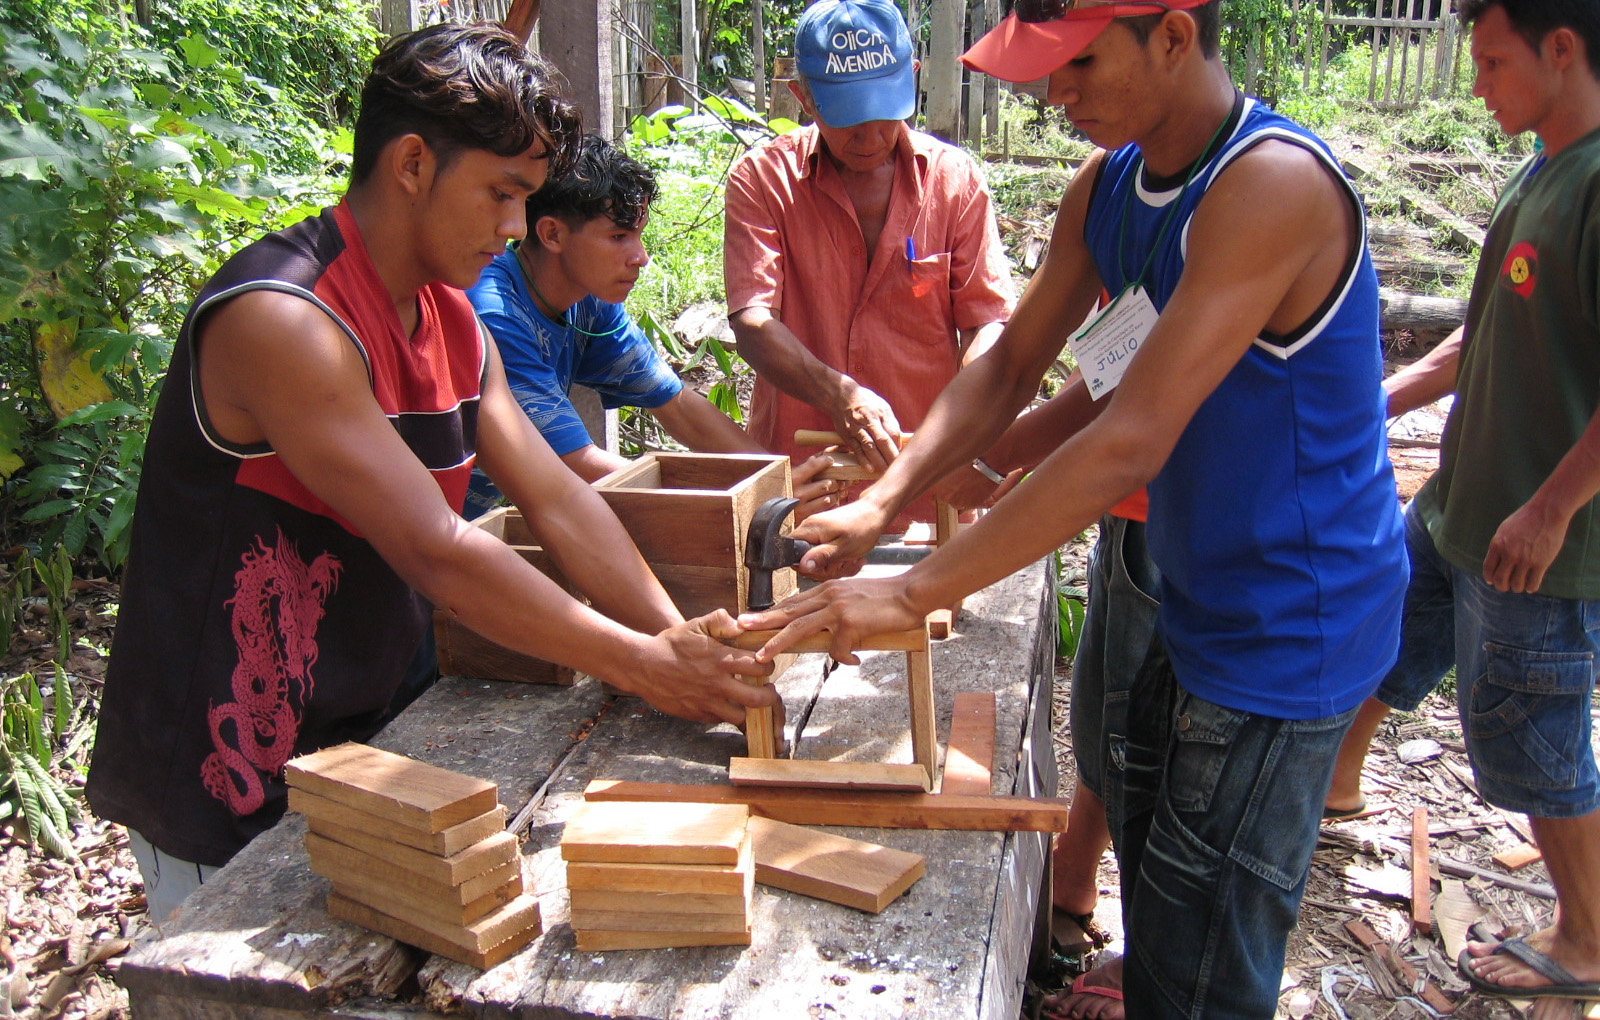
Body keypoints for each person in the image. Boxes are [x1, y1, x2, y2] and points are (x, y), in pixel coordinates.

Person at [742, 3, 1408, 1019]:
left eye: (1081, 63)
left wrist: (914, 587)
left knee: (1213, 922)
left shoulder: (1266, 187)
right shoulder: (1110, 186)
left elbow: (1131, 437)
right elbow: (1016, 361)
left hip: (1290, 623)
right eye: (1044, 68)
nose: (1057, 94)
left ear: (1175, 37)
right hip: (1197, 587)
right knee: (1156, 846)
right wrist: (890, 495)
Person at [85, 24, 774, 923]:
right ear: (413, 163)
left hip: (365, 748)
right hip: (221, 769)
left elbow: (559, 497)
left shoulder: (454, 323)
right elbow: (438, 549)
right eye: (503, 192)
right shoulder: (284, 319)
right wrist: (644, 666)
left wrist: (675, 638)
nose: (517, 227)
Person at [1361, 3, 1599, 1013]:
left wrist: (1549, 509)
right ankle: (1329, 792)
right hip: (1462, 505)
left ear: (1561, 49)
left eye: (1492, 61)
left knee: (1530, 732)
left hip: (1536, 540)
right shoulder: (1540, 167)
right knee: (1383, 636)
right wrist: (1369, 410)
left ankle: (1586, 936)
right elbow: (1477, 338)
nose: (1476, 84)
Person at [723, 0, 1018, 526]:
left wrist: (970, 426)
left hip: (929, 488)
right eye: (847, 119)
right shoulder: (763, 183)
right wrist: (839, 394)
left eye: (885, 112)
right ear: (803, 97)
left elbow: (987, 322)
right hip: (803, 487)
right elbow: (752, 321)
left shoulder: (954, 183)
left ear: (913, 79)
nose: (870, 136)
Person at [464, 134, 836, 518]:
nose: (640, 257)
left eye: (638, 236)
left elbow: (677, 405)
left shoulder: (588, 302)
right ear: (552, 234)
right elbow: (576, 464)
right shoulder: (496, 315)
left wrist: (775, 481)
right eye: (619, 237)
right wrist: (743, 500)